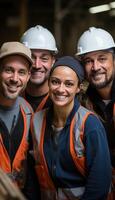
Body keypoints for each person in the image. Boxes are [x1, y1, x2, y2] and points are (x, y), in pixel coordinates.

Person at [31, 56, 111, 200]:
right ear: (48, 83)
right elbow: (33, 174)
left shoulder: (90, 124)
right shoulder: (36, 120)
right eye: (55, 82)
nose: (61, 89)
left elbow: (99, 184)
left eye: (68, 84)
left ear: (79, 88)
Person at [75, 26, 115, 199]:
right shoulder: (80, 102)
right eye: (88, 61)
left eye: (102, 59)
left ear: (114, 60)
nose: (96, 67)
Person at [0, 41, 37, 199]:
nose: (15, 79)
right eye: (9, 70)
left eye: (21, 72)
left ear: (28, 76)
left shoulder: (28, 112)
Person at [20, 25, 58, 112]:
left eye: (44, 59)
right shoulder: (11, 97)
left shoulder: (61, 100)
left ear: (53, 61)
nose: (37, 65)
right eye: (31, 58)